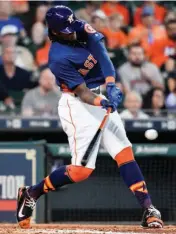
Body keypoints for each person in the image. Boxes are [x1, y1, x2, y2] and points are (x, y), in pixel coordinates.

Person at [16, 5, 163, 229]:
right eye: (66, 29)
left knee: (124, 152)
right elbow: (82, 93)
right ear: (54, 31)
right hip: (77, 106)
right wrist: (102, 102)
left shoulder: (79, 26)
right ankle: (32, 192)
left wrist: (111, 84)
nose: (72, 31)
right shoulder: (57, 58)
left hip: (98, 95)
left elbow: (101, 53)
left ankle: (148, 208)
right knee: (81, 171)